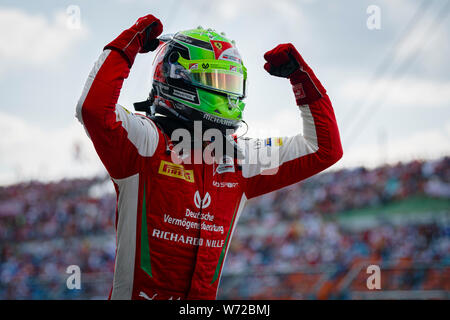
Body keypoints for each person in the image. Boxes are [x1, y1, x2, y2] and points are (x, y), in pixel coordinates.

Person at [76, 14, 343, 300]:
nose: (227, 92)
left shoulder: (240, 158)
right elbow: (92, 110)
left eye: (231, 81)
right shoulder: (146, 141)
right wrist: (128, 43)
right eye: (215, 78)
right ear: (177, 77)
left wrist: (301, 79)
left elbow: (324, 150)